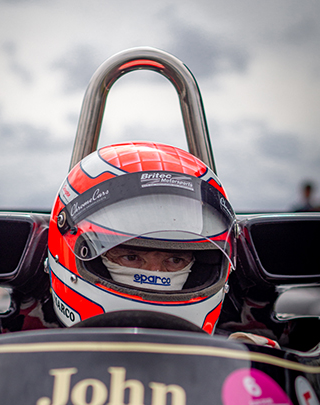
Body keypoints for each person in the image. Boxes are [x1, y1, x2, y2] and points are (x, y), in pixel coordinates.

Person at [47, 141, 280, 348]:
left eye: (174, 260)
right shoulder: (22, 357)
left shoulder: (238, 365)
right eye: (131, 257)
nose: (155, 274)